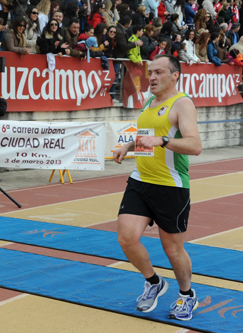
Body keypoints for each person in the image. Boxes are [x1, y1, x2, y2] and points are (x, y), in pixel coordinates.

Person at [113, 54, 202, 322]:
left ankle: (187, 295)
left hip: (170, 186)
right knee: (127, 239)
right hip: (140, 181)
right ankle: (154, 282)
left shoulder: (182, 104)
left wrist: (163, 140)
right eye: (150, 72)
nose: (151, 77)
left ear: (174, 76)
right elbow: (147, 139)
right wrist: (128, 146)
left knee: (173, 248)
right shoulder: (150, 100)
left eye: (159, 72)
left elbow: (195, 145)